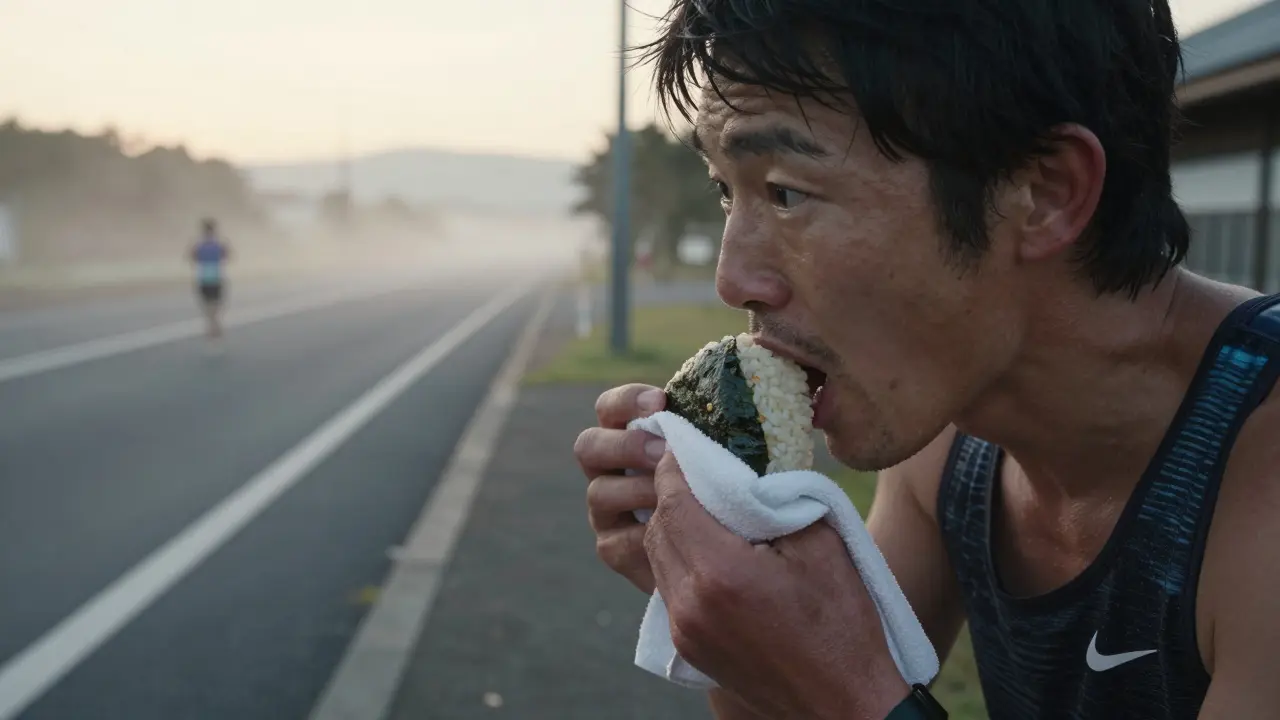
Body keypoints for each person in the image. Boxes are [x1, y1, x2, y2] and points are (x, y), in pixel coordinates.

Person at [573, 2, 1280, 718]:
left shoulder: (1261, 492)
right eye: (728, 190)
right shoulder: (951, 436)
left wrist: (855, 698)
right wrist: (720, 590)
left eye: (786, 192)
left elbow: (840, 693)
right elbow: (797, 684)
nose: (733, 278)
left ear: (1044, 193)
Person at [190, 218, 230, 340]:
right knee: (216, 306)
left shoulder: (199, 246)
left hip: (204, 278)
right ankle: (215, 326)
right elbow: (227, 255)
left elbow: (192, 257)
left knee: (207, 307)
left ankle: (212, 326)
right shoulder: (219, 245)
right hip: (216, 278)